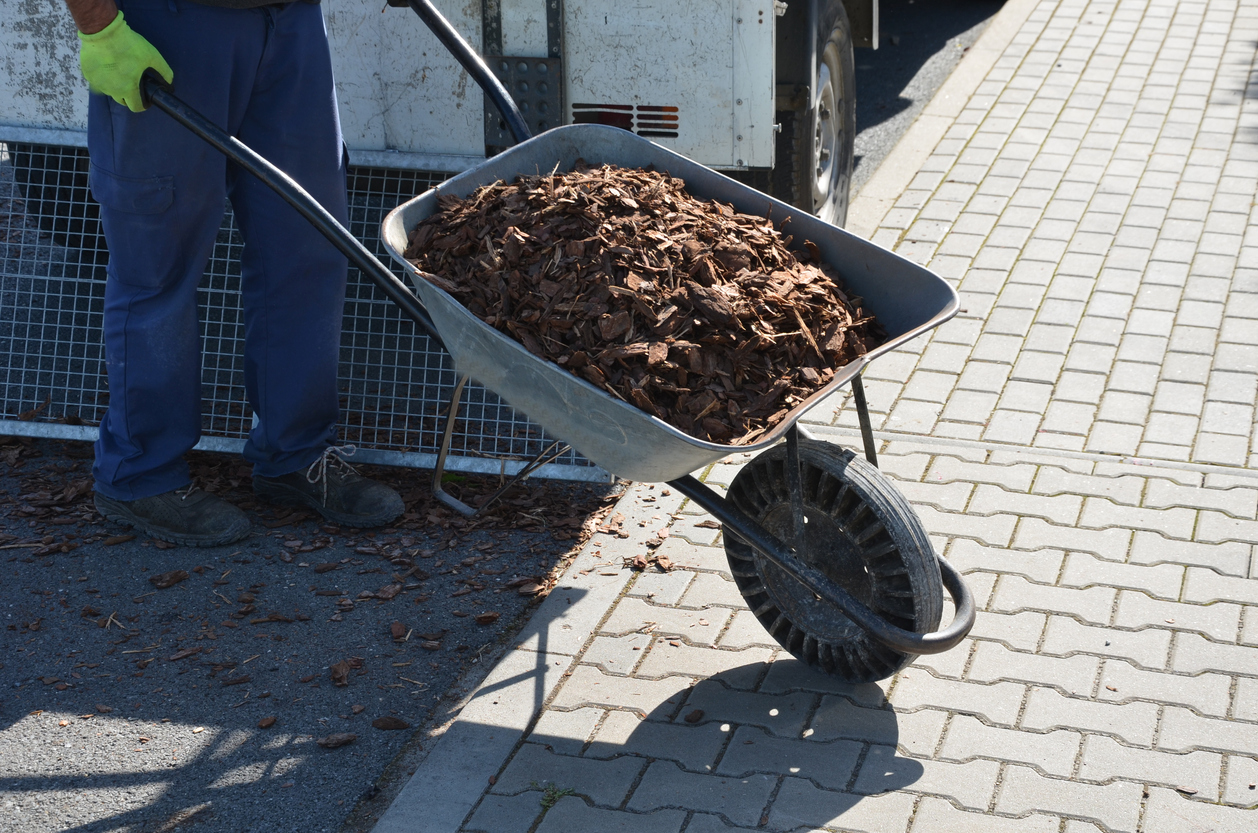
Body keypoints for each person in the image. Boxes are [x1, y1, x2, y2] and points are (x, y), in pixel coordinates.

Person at [63, 0, 405, 546]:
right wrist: (100, 29)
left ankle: (297, 455)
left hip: (290, 24)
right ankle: (140, 474)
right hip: (168, 27)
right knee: (159, 267)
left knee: (307, 246)